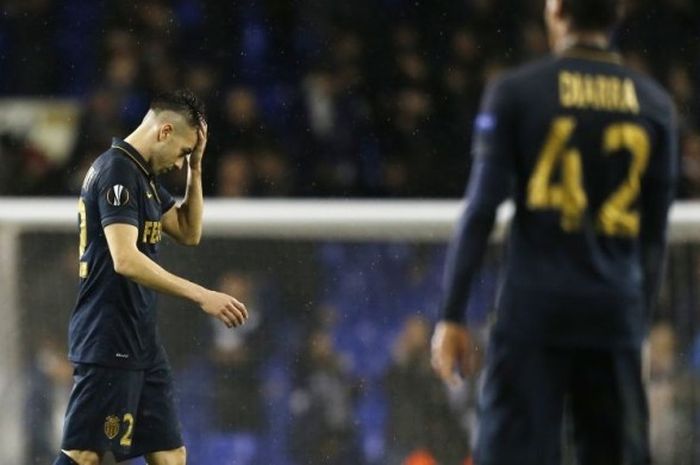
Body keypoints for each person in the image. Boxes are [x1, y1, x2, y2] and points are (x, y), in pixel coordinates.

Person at [431, 1, 677, 464]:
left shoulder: (517, 93)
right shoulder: (656, 105)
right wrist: (636, 328)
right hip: (613, 315)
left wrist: (451, 313)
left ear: (556, 12)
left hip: (533, 312)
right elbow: (652, 238)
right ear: (617, 15)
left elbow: (482, 209)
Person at [53, 89, 249, 465]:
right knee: (85, 456)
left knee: (171, 455)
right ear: (164, 131)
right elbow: (125, 259)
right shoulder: (117, 172)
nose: (179, 164)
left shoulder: (140, 176)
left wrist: (197, 167)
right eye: (181, 153)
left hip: (140, 339)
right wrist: (201, 295)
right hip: (108, 336)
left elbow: (190, 232)